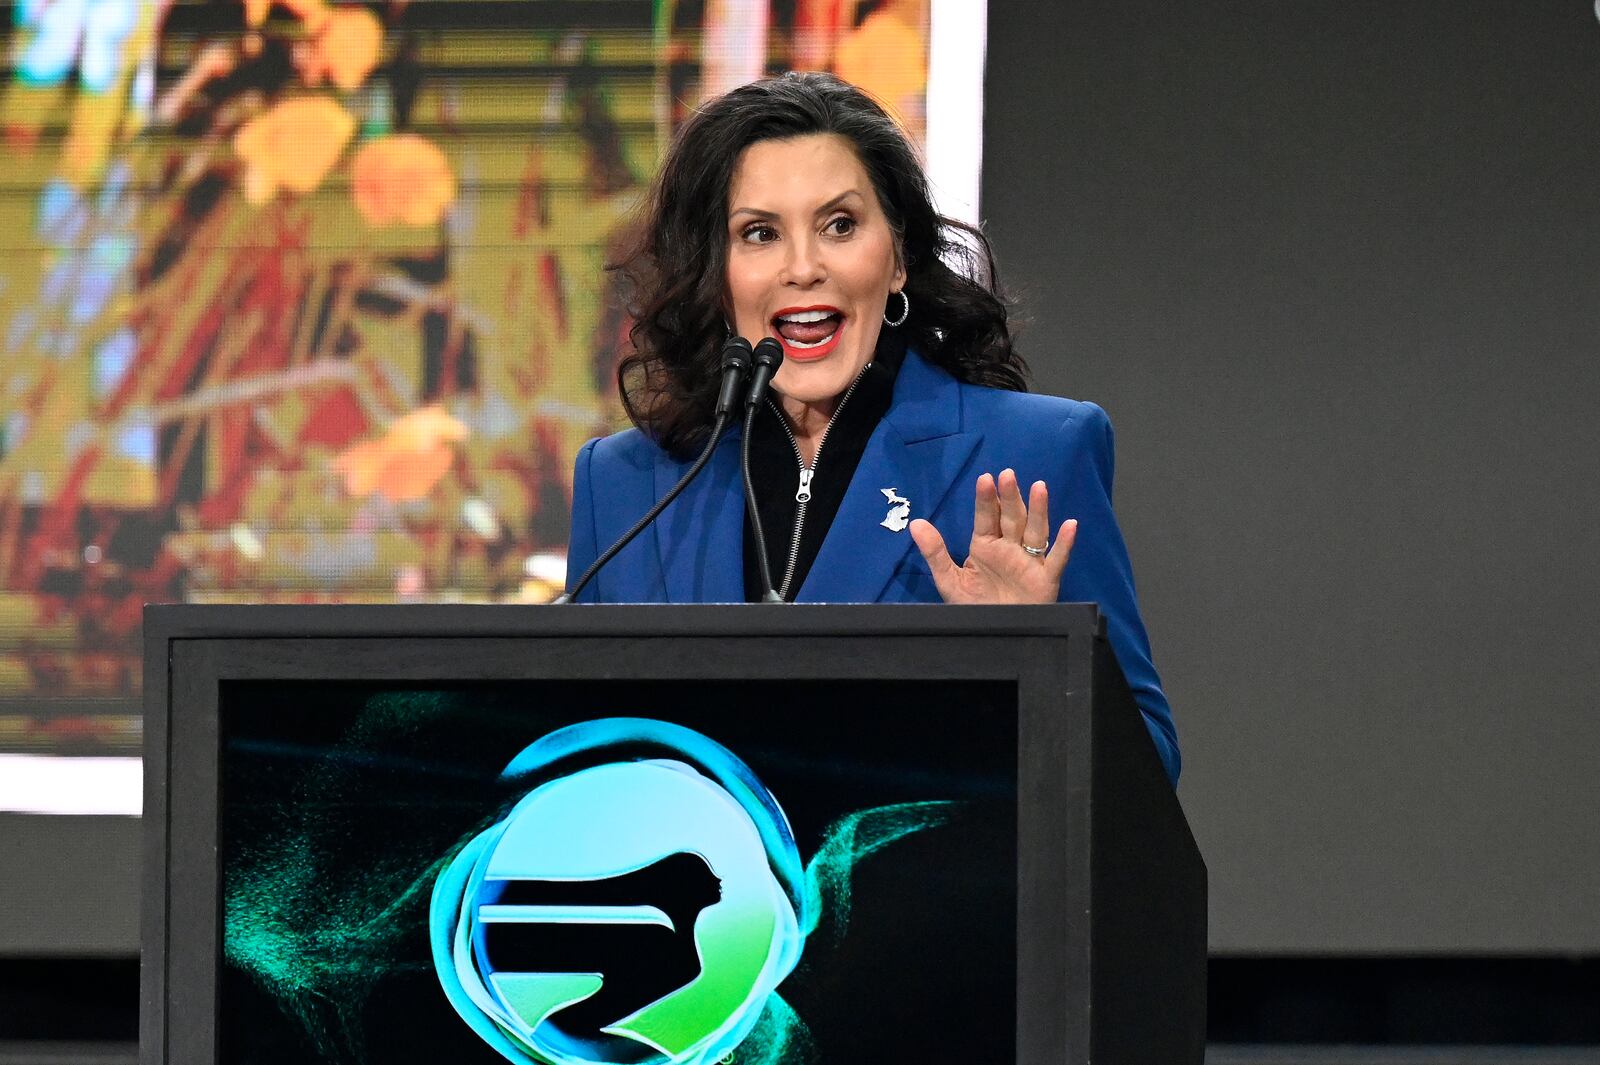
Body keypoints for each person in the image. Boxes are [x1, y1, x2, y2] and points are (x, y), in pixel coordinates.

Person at [564, 72, 1178, 784]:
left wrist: (1033, 660)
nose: (803, 268)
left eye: (840, 225)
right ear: (715, 273)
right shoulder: (625, 487)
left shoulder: (1033, 453)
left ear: (899, 258)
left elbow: (1149, 765)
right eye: (759, 233)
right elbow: (571, 759)